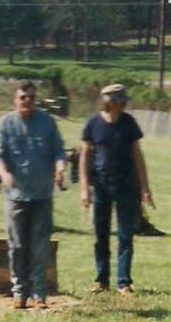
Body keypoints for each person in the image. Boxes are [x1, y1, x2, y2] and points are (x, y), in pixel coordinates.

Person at [0, 80, 66, 309]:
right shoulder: (5, 124)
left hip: (42, 195)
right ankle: (19, 292)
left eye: (31, 98)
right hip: (16, 196)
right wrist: (4, 174)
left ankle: (39, 294)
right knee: (17, 246)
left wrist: (60, 168)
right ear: (15, 100)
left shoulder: (47, 123)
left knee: (40, 246)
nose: (27, 101)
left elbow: (58, 151)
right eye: (23, 97)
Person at [79, 84, 154, 297]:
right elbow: (84, 157)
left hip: (126, 185)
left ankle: (124, 282)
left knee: (125, 235)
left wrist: (145, 188)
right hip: (101, 185)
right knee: (101, 235)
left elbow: (138, 155)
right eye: (119, 99)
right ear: (109, 102)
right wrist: (85, 188)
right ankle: (101, 280)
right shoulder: (93, 124)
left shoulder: (128, 123)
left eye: (123, 99)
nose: (124, 103)